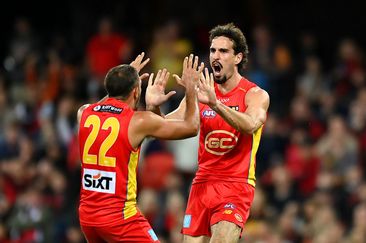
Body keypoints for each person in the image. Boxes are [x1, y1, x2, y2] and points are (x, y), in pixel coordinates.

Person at [146, 23, 270, 242]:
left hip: (236, 184)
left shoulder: (255, 94)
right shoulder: (202, 91)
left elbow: (251, 124)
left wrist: (215, 105)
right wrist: (154, 106)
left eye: (223, 51)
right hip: (202, 184)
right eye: (213, 50)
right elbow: (163, 127)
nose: (216, 56)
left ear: (238, 58)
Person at [77, 52, 204, 242]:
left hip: (87, 216)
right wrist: (191, 91)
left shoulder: (84, 113)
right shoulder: (137, 121)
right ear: (136, 91)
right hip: (120, 218)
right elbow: (192, 127)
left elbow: (104, 105)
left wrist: (129, 84)